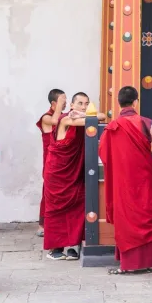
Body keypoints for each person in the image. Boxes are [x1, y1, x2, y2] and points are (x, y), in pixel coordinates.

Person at [99, 86, 152, 274]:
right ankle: (149, 262)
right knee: (146, 215)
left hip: (123, 183)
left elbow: (103, 154)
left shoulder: (113, 127)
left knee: (127, 218)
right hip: (144, 180)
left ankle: (130, 265)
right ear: (136, 102)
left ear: (118, 103)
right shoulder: (145, 123)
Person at [44, 92, 105, 260]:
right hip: (58, 171)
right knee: (56, 209)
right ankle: (55, 249)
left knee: (78, 205)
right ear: (71, 105)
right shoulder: (65, 119)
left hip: (75, 170)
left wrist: (85, 113)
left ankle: (73, 246)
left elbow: (99, 116)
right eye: (79, 103)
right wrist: (86, 115)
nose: (83, 106)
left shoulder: (79, 117)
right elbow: (94, 119)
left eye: (86, 103)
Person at [35, 89, 66, 238]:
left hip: (61, 159)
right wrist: (59, 105)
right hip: (49, 160)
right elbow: (54, 121)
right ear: (53, 103)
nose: (65, 103)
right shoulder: (46, 117)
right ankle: (43, 224)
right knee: (47, 191)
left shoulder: (63, 117)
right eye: (62, 101)